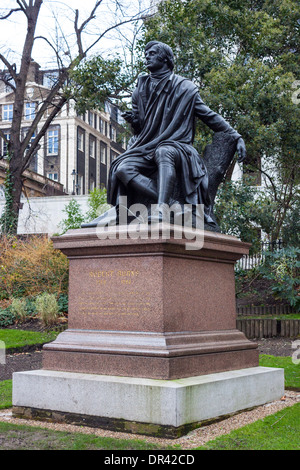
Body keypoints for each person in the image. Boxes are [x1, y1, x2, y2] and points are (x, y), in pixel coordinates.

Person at [86, 41, 246, 229]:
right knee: (122, 167)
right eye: (146, 53)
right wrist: (134, 121)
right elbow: (140, 130)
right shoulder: (141, 89)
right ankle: (171, 204)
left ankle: (161, 207)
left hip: (177, 144)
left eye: (152, 53)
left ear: (165, 58)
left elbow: (209, 116)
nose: (147, 56)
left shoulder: (185, 88)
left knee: (164, 152)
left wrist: (236, 136)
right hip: (147, 146)